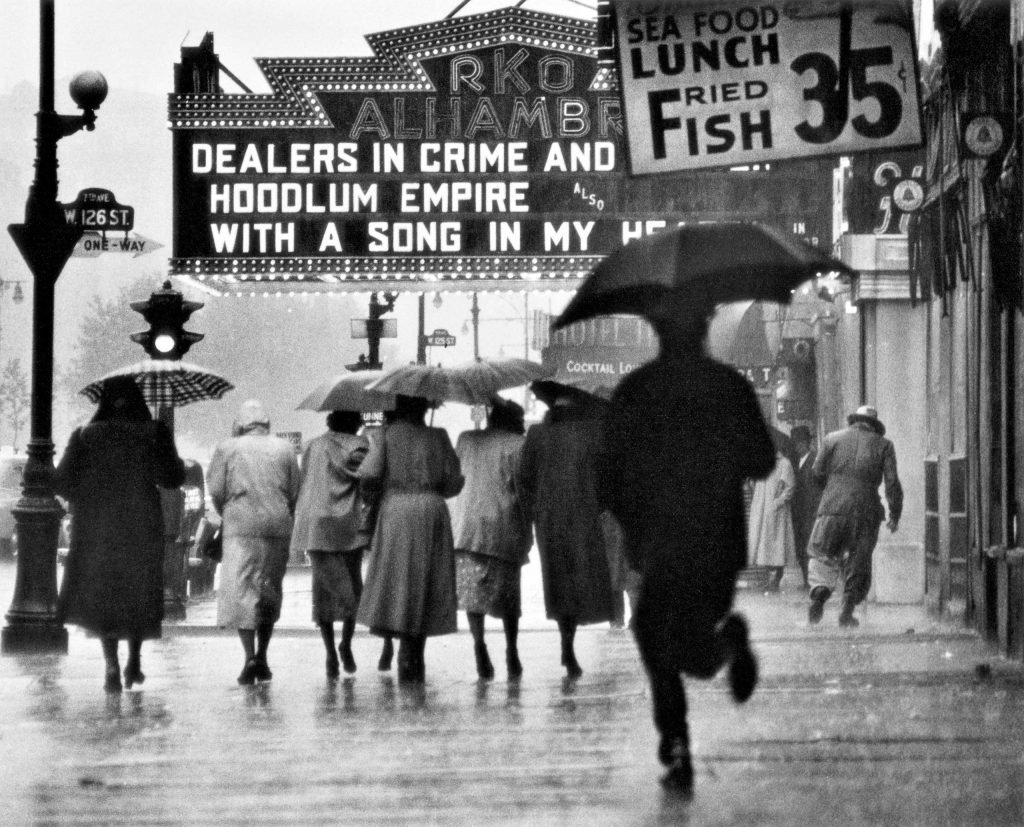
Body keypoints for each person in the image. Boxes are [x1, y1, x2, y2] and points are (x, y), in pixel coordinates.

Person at [597, 294, 776, 797]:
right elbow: (762, 461)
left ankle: (676, 742)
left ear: (657, 332)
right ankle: (725, 645)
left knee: (656, 640)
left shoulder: (635, 391)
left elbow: (607, 476)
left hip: (658, 541)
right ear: (703, 330)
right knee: (685, 640)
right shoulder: (729, 388)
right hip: (716, 541)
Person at [53, 376, 185, 692]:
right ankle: (135, 661)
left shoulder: (85, 436)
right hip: (141, 523)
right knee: (138, 588)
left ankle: (111, 663)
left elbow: (61, 481)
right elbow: (173, 477)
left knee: (106, 592)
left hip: (97, 524)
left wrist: (86, 490)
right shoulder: (153, 432)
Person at [357, 394, 464, 683]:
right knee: (428, 578)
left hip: (397, 511)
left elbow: (368, 473)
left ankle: (402, 640)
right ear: (425, 407)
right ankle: (416, 647)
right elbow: (454, 481)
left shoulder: (386, 435)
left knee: (399, 576)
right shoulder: (438, 436)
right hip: (432, 511)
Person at [518, 380, 615, 680]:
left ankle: (566, 638)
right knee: (579, 578)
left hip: (548, 520)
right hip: (583, 516)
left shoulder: (536, 435)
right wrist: (598, 507)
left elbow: (524, 480)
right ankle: (568, 643)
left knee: (557, 580)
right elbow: (609, 477)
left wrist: (532, 513)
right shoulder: (591, 434)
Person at [207, 399, 301, 685]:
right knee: (269, 588)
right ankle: (263, 655)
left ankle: (248, 657)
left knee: (243, 590)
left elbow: (216, 489)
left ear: (241, 423)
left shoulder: (227, 448)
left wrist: (230, 512)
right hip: (277, 524)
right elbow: (295, 490)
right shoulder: (284, 449)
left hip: (240, 526)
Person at [449, 397, 532, 681]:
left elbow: (454, 475)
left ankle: (479, 644)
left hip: (467, 526)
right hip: (503, 527)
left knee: (473, 594)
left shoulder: (466, 439)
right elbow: (523, 491)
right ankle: (511, 649)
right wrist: (528, 527)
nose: (523, 428)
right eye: (520, 422)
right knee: (509, 597)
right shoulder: (518, 446)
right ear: (510, 422)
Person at [290, 410, 371, 679]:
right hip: (348, 524)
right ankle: (346, 644)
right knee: (353, 590)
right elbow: (368, 477)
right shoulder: (360, 446)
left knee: (323, 594)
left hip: (317, 526)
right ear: (355, 423)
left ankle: (329, 653)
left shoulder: (313, 445)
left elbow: (306, 481)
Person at [806, 405, 903, 628]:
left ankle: (819, 594)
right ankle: (846, 611)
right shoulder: (884, 445)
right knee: (859, 561)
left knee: (822, 554)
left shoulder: (831, 439)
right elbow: (892, 483)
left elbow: (816, 472)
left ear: (854, 421)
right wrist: (894, 513)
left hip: (831, 508)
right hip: (865, 511)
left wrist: (832, 491)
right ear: (874, 425)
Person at [746, 434, 796, 593]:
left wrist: (777, 502)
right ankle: (768, 578)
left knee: (777, 544)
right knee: (762, 544)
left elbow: (790, 487)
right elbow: (752, 482)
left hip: (776, 511)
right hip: (760, 508)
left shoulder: (784, 463)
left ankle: (777, 577)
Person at [789, 425, 821, 589]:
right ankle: (806, 579)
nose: (798, 447)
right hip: (798, 512)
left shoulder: (815, 460)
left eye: (800, 444)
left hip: (811, 511)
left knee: (810, 546)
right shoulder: (796, 463)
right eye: (796, 445)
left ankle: (812, 580)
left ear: (807, 443)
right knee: (800, 545)